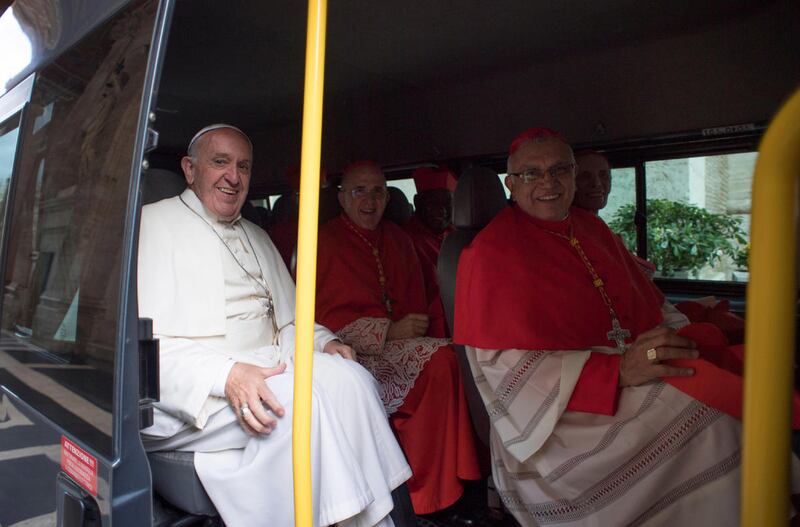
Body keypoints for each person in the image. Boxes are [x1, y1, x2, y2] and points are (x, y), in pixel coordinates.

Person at [453, 127, 800, 526]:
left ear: (572, 174)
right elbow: (504, 369)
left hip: (630, 372)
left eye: (559, 170)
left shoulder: (591, 228)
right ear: (511, 184)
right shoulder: (490, 253)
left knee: (727, 387)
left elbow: (649, 302)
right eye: (531, 174)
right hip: (559, 418)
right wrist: (616, 371)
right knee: (707, 417)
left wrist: (673, 335)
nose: (548, 182)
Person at [138, 124, 411, 527]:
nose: (234, 177)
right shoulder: (150, 226)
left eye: (243, 166)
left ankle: (381, 518)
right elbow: (142, 345)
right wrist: (226, 374)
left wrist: (323, 343)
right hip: (194, 390)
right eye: (220, 162)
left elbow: (288, 323)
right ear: (190, 169)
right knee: (301, 405)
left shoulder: (257, 236)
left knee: (352, 379)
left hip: (269, 366)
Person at [315, 160, 482, 517]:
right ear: (343, 198)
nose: (370, 200)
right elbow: (321, 321)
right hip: (351, 353)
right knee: (441, 362)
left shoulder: (399, 238)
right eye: (360, 191)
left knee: (455, 358)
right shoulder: (323, 242)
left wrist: (413, 328)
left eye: (379, 191)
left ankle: (450, 484)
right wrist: (389, 330)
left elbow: (418, 303)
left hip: (404, 347)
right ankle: (425, 492)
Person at [402, 166, 456, 337]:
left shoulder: (456, 235)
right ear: (418, 203)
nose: (443, 211)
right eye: (434, 203)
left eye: (447, 203)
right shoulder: (404, 239)